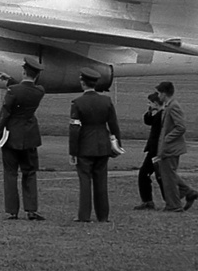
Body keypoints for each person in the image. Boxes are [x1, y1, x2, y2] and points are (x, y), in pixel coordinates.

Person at [0, 58, 47, 220]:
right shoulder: (39, 91)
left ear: (24, 72)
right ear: (36, 76)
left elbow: (4, 114)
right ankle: (31, 209)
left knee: (10, 173)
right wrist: (11, 81)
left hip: (11, 135)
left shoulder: (13, 92)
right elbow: (26, 90)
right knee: (29, 172)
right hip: (30, 135)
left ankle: (12, 210)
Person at [68, 69, 122, 223]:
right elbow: (113, 125)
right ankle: (103, 215)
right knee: (101, 181)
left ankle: (84, 215)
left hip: (85, 145)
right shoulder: (106, 101)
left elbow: (74, 129)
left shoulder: (78, 103)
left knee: (85, 181)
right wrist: (117, 144)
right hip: (102, 144)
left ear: (82, 83)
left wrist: (73, 151)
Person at [154, 81, 198, 212]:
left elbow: (181, 127)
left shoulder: (173, 106)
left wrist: (167, 139)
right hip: (167, 147)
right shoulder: (169, 106)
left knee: (169, 178)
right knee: (168, 175)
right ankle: (185, 193)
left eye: (158, 93)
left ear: (164, 93)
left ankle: (174, 205)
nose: (158, 96)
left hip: (171, 148)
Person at [134, 91, 166, 209]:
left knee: (145, 174)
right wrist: (149, 111)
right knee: (158, 175)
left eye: (150, 102)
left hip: (156, 149)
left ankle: (148, 201)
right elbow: (148, 121)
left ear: (156, 103)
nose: (149, 104)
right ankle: (153, 200)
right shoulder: (159, 114)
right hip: (154, 148)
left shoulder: (161, 115)